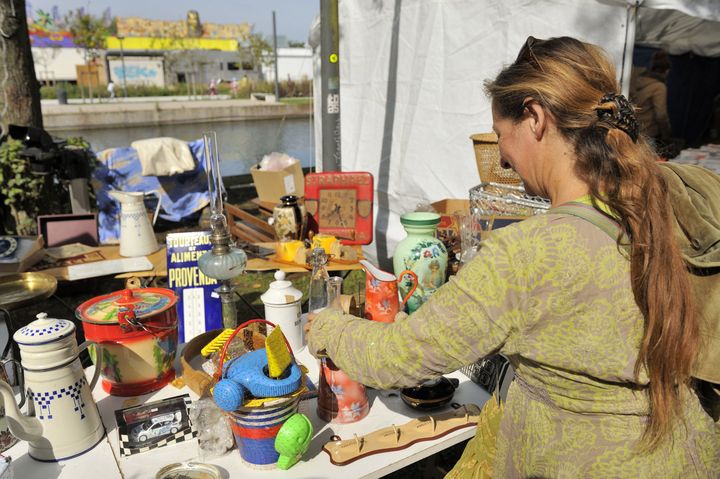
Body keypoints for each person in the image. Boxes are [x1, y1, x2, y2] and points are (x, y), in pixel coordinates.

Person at [306, 36, 719, 477]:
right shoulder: (664, 198)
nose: (502, 159)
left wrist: (329, 326)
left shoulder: (528, 253)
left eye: (502, 136)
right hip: (689, 452)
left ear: (535, 118)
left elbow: (400, 357)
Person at [630, 50, 672, 151]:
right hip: (648, 134)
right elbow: (661, 115)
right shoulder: (659, 87)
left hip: (630, 131)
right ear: (666, 71)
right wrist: (667, 135)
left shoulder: (634, 81)